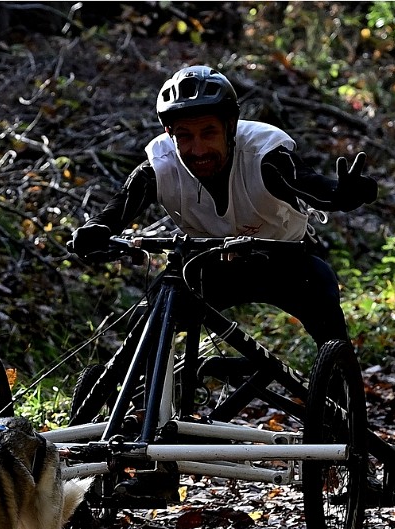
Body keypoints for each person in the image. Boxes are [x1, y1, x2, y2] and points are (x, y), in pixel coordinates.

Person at [69, 65, 378, 344]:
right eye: (184, 136)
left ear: (230, 126)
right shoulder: (159, 166)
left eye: (208, 133)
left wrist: (342, 193)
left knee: (330, 326)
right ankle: (152, 389)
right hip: (211, 263)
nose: (198, 149)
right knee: (147, 324)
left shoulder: (264, 154)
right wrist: (95, 231)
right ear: (169, 133)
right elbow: (116, 211)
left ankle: (344, 386)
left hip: (287, 261)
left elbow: (311, 186)